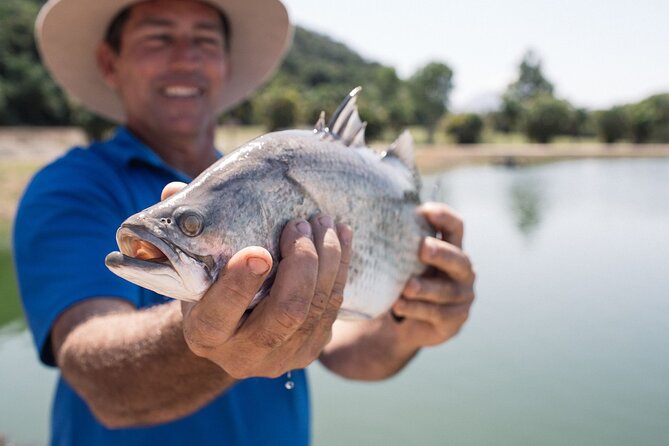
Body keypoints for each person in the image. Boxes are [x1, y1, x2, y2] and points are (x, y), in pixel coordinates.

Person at [13, 0, 476, 444]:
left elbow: (345, 349)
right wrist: (204, 335)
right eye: (158, 38)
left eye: (205, 40)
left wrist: (410, 326)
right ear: (110, 62)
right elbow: (98, 377)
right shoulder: (69, 187)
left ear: (226, 64)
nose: (185, 58)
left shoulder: (251, 177)